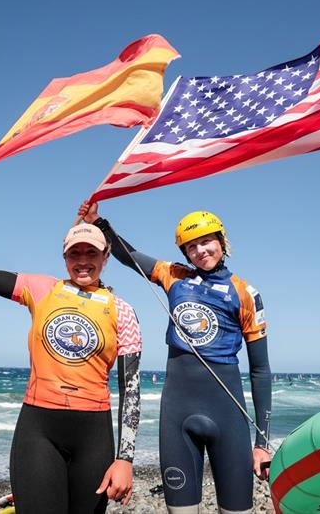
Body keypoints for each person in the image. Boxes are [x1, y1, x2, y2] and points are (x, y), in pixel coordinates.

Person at [0, 211, 142, 513]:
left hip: (93, 436)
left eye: (91, 252)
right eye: (75, 253)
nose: (83, 260)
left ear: (105, 257)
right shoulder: (43, 288)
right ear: (65, 258)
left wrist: (125, 460)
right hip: (39, 431)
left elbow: (130, 390)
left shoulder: (123, 311)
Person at [80, 203, 272, 514]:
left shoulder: (245, 293)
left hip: (228, 418)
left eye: (207, 242)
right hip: (177, 416)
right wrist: (99, 223)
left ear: (222, 242)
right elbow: (131, 257)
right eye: (191, 246)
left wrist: (262, 443)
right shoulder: (174, 277)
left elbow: (261, 371)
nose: (200, 251)